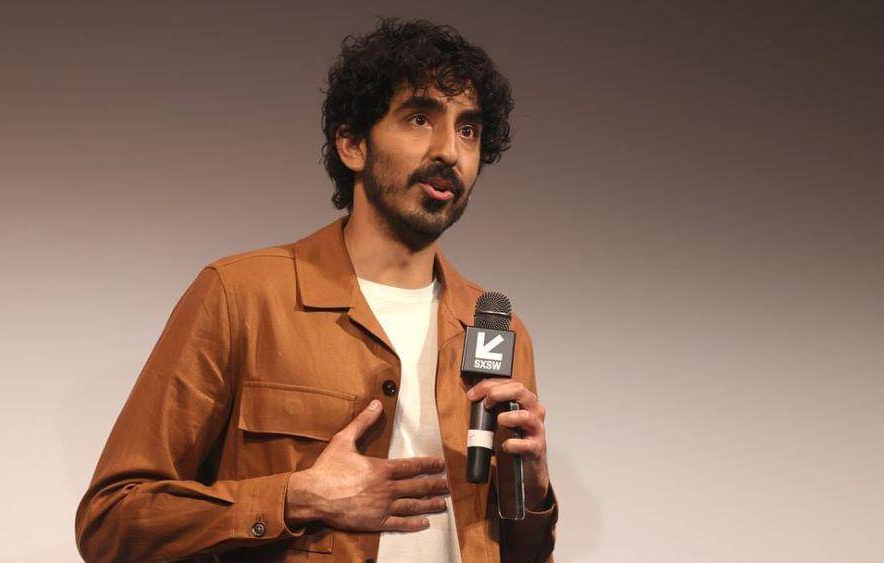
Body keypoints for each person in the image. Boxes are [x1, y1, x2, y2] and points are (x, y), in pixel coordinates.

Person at [75, 17, 558, 562]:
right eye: (420, 118)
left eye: (468, 130)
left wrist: (533, 491)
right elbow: (112, 521)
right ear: (352, 144)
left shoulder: (497, 330)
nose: (449, 149)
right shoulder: (241, 297)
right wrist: (296, 498)